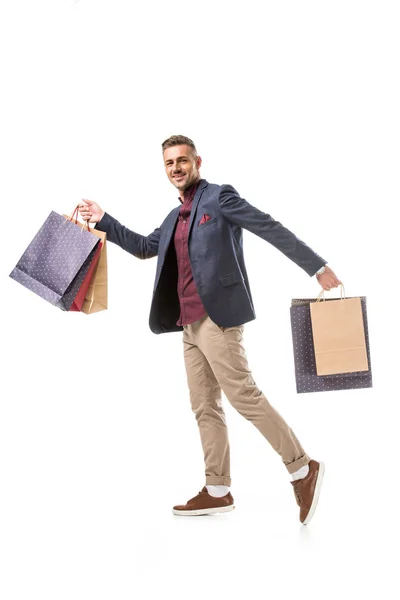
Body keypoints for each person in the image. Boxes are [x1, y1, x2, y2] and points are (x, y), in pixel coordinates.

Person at [78, 134, 342, 525]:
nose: (177, 168)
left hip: (218, 320)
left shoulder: (220, 198)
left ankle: (303, 469)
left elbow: (269, 227)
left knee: (244, 397)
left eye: (182, 160)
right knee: (204, 406)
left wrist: (317, 267)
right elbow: (142, 247)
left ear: (197, 161)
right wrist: (104, 219)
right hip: (188, 327)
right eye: (169, 163)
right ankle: (217, 490)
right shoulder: (172, 219)